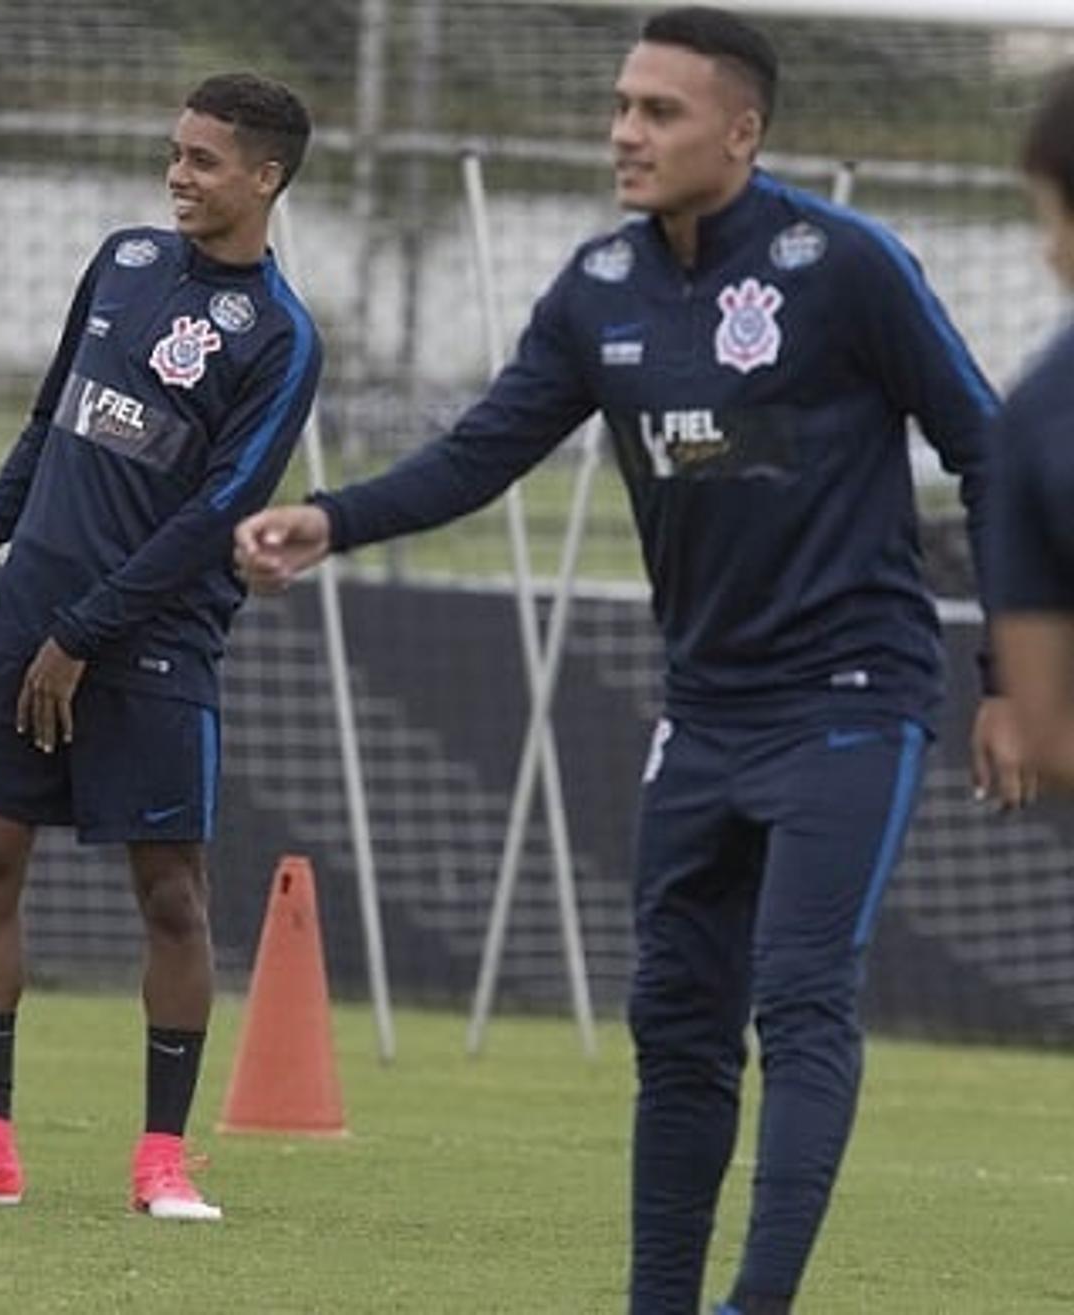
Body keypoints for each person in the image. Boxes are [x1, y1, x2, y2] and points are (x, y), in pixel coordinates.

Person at [235, 8, 1028, 1311]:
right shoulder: (600, 286)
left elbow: (993, 452)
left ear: (743, 128)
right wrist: (335, 517)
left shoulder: (846, 267)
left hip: (853, 698)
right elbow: (482, 450)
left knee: (802, 998)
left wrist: (1010, 674)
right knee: (675, 1027)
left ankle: (755, 1301)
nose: (625, 131)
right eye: (620, 107)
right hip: (704, 712)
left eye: (659, 111)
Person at [0, 72, 320, 1220]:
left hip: (152, 641)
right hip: (35, 617)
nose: (178, 174)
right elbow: (50, 414)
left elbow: (215, 515)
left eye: (205, 160)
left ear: (264, 177)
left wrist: (87, 631)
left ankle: (162, 1159)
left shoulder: (279, 336)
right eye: (175, 151)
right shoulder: (121, 261)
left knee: (170, 893)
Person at [989, 67, 1074, 792]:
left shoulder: (1041, 410)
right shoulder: (1041, 412)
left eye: (1049, 218)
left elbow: (1049, 733)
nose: (1047, 252)